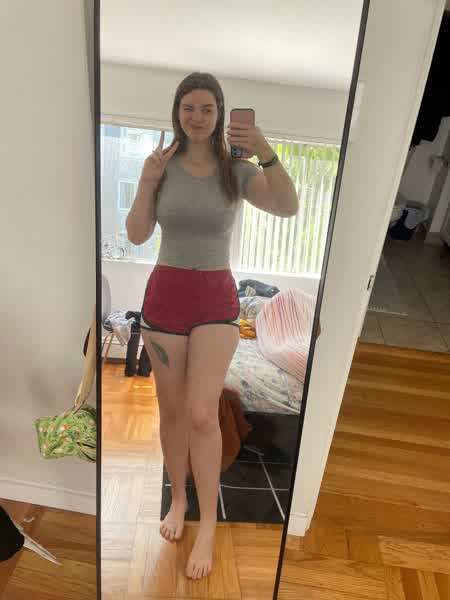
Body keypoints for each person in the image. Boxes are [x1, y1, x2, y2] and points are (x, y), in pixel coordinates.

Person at [125, 72, 298, 581]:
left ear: (220, 114)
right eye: (188, 108)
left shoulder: (235, 170)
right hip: (165, 298)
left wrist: (264, 150)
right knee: (172, 410)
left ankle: (207, 523)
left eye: (207, 108)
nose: (197, 117)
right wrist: (146, 182)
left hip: (216, 301)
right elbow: (136, 235)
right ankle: (178, 501)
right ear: (176, 113)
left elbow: (288, 207)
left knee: (202, 413)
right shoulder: (161, 167)